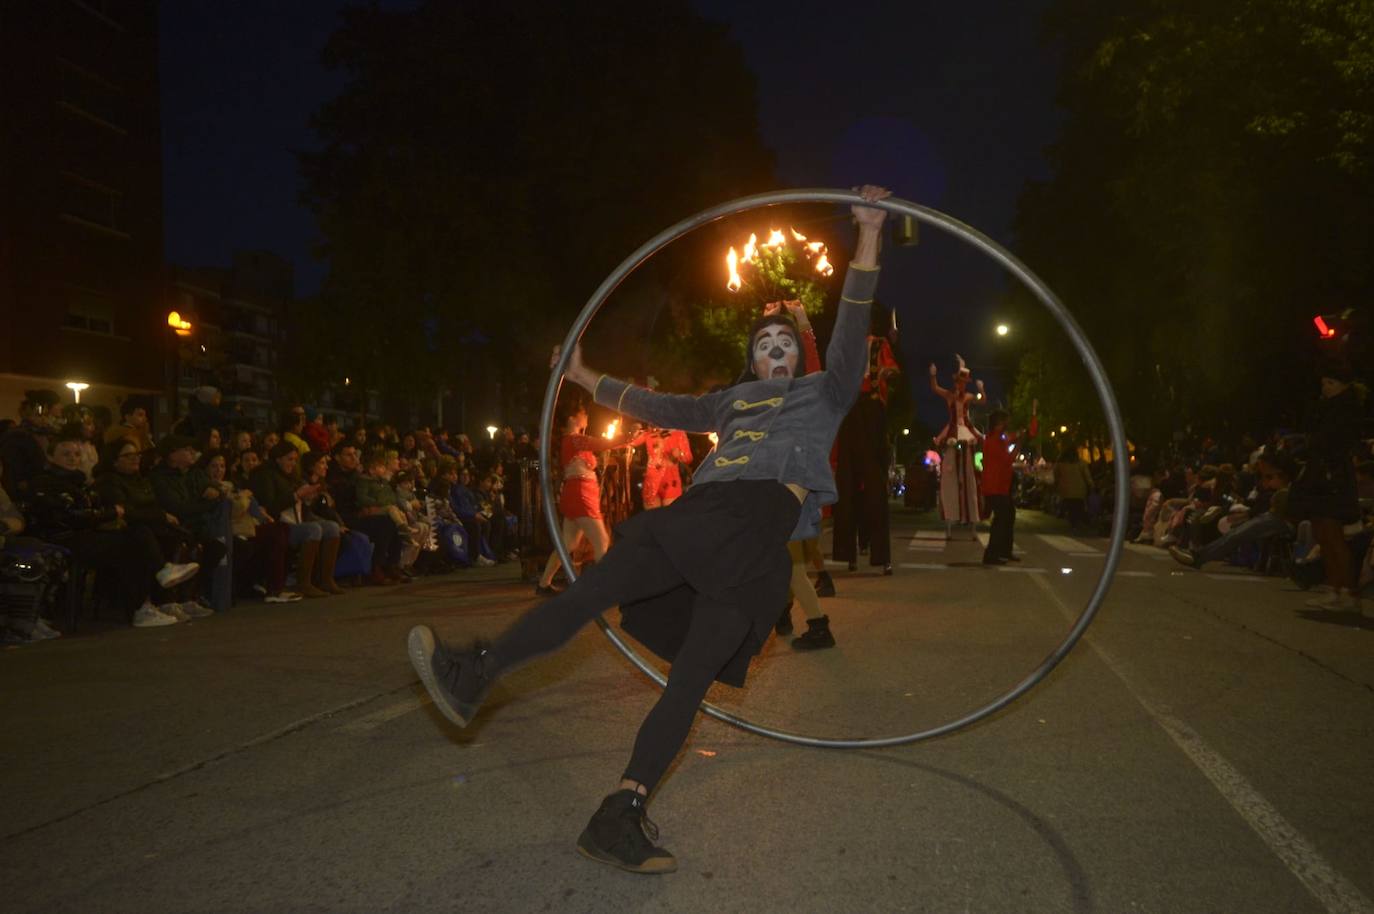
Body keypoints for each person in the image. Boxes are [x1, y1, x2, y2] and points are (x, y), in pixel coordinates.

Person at [407, 185, 890, 874]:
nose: (777, 351)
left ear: (799, 355)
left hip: (759, 540)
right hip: (702, 518)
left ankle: (621, 812)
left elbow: (852, 322)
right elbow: (654, 402)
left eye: (786, 343)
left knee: (688, 682)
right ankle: (476, 673)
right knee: (589, 588)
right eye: (766, 345)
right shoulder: (729, 401)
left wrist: (867, 232)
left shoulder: (826, 391)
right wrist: (580, 375)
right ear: (752, 361)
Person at [533, 405, 641, 596]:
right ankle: (601, 587)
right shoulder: (574, 440)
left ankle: (543, 584)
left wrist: (628, 439)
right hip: (580, 495)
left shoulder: (574, 442)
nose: (586, 417)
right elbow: (601, 444)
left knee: (568, 543)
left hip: (579, 494)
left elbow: (602, 446)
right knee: (601, 540)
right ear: (572, 419)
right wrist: (626, 437)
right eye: (583, 414)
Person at [1290, 362, 1365, 611]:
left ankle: (1347, 591)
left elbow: (1331, 442)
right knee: (1323, 532)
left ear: (1344, 386)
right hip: (1321, 474)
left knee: (1332, 534)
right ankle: (1335, 588)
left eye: (1331, 383)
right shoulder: (1328, 409)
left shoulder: (1345, 411)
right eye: (1324, 382)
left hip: (1331, 476)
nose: (1325, 387)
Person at [832, 307, 900, 573]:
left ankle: (881, 556)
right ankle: (847, 553)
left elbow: (893, 370)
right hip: (850, 412)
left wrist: (886, 373)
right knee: (846, 483)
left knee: (875, 483)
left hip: (871, 411)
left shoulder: (879, 344)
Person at [1169, 449, 1294, 569]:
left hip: (1281, 518)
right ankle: (1197, 553)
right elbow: (1255, 502)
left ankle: (1198, 557)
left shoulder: (1283, 487)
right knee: (1235, 532)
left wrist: (1248, 513)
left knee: (1238, 533)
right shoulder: (1261, 480)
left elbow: (1269, 504)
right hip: (1268, 514)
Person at [249, 441, 343, 598]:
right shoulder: (266, 476)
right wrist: (296, 496)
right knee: (313, 530)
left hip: (297, 519)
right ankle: (303, 582)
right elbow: (269, 506)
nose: (292, 464)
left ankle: (326, 579)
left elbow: (302, 507)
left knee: (332, 527)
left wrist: (308, 498)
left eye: (294, 460)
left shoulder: (291, 477)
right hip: (280, 524)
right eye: (289, 459)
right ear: (278, 459)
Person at [929, 356, 983, 539]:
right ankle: (950, 524)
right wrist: (933, 376)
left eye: (964, 382)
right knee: (950, 476)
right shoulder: (950, 396)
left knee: (969, 478)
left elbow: (982, 401)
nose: (961, 385)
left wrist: (982, 390)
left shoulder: (967, 396)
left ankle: (973, 525)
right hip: (953, 433)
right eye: (959, 382)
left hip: (966, 433)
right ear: (955, 382)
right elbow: (935, 388)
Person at [980, 408, 1035, 565]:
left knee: (1008, 516)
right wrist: (1019, 443)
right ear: (998, 424)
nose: (1007, 425)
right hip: (994, 487)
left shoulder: (997, 439)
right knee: (1001, 520)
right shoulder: (993, 442)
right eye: (1005, 422)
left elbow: (1011, 437)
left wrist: (1021, 434)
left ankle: (1004, 551)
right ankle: (992, 555)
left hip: (1000, 486)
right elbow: (1008, 459)